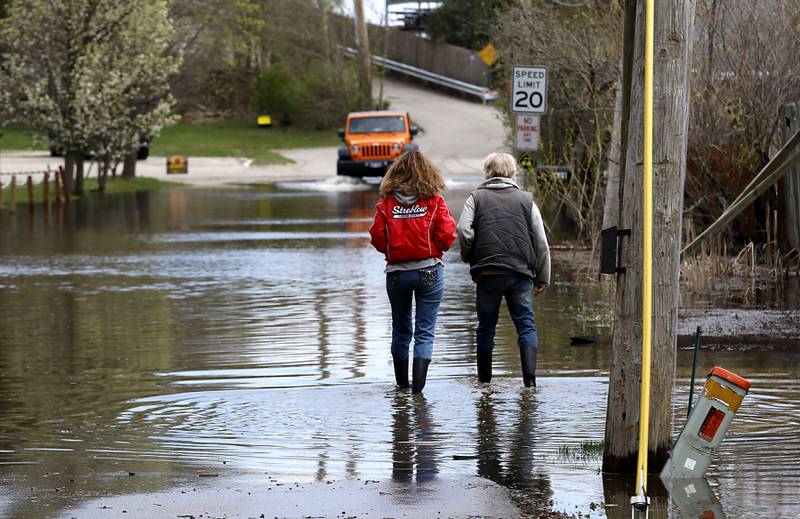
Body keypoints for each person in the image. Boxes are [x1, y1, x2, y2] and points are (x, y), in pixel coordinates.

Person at [456, 152, 550, 387]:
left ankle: (484, 384)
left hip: (487, 272)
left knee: (486, 328)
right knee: (526, 325)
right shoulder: (527, 200)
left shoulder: (475, 198)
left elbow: (464, 231)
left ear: (487, 172)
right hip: (520, 273)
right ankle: (530, 384)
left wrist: (470, 257)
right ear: (512, 172)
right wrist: (543, 278)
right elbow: (541, 242)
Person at [369, 151, 456, 394]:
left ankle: (401, 387)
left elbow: (376, 237)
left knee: (400, 329)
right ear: (429, 174)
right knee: (425, 330)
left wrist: (392, 251)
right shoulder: (434, 201)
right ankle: (418, 393)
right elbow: (448, 237)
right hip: (429, 271)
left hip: (397, 274)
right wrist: (434, 250)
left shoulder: (386, 204)